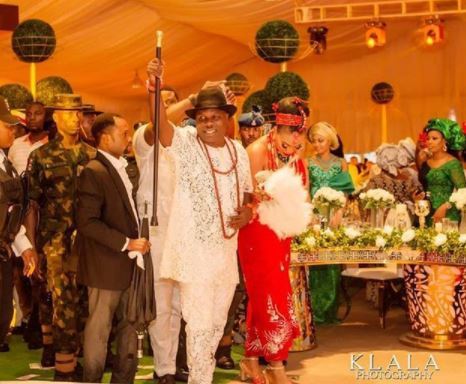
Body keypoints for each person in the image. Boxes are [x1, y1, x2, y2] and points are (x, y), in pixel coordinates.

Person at [147, 58, 253, 384]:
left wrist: (248, 212)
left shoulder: (239, 151)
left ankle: (200, 376)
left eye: (215, 117)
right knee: (198, 324)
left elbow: (248, 191)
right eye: (202, 118)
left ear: (226, 119)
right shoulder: (186, 144)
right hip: (193, 254)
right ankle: (200, 381)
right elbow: (158, 126)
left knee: (217, 324)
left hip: (224, 254)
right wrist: (155, 89)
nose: (208, 122)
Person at [238, 97, 310, 384]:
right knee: (272, 295)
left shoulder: (294, 152)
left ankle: (251, 360)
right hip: (257, 232)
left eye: (299, 133)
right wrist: (262, 197)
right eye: (288, 131)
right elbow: (246, 195)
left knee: (263, 296)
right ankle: (276, 366)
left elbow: (303, 190)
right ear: (277, 125)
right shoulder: (256, 150)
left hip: (281, 234)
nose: (294, 138)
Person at [26, 94, 97, 381]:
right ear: (55, 117)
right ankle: (63, 368)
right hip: (55, 242)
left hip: (89, 242)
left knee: (84, 303)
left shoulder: (92, 155)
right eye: (68, 113)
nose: (74, 118)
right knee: (62, 304)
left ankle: (76, 358)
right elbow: (31, 205)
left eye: (77, 113)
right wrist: (31, 246)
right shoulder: (41, 156)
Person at [76, 113, 149, 383]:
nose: (129, 137)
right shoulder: (93, 171)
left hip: (129, 261)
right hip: (104, 265)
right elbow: (87, 223)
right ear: (106, 138)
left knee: (129, 326)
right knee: (99, 329)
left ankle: (123, 380)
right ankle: (92, 379)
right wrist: (126, 242)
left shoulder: (122, 166)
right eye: (125, 132)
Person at [8, 101, 50, 350]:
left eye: (38, 114)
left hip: (44, 211)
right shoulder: (15, 145)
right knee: (20, 271)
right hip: (19, 211)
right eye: (29, 114)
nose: (33, 118)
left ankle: (39, 322)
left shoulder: (51, 144)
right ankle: (27, 317)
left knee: (41, 268)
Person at [0, 96, 39, 353]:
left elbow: (10, 210)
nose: (14, 130)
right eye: (7, 125)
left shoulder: (6, 163)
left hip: (4, 250)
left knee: (3, 314)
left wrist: (23, 246)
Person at [307, 122, 354, 325]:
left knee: (332, 262)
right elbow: (306, 190)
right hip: (314, 215)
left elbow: (345, 192)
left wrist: (339, 213)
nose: (316, 144)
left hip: (335, 215)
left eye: (321, 140)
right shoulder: (308, 162)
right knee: (316, 262)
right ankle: (316, 310)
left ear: (330, 141)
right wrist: (310, 214)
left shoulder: (341, 163)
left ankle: (330, 309)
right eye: (314, 141)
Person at [418, 118, 466, 223]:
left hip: (447, 214)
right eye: (428, 139)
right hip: (427, 212)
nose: (429, 142)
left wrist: (445, 207)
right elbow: (424, 187)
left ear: (445, 141)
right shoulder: (426, 163)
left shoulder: (453, 163)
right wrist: (417, 196)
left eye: (434, 138)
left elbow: (463, 192)